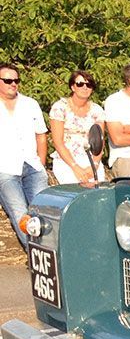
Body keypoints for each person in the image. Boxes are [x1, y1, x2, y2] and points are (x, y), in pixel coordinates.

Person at [0, 63, 49, 250]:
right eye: (8, 80)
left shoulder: (30, 104)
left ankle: (49, 253)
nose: (13, 84)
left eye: (16, 80)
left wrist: (41, 163)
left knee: (44, 213)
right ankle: (35, 254)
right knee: (20, 214)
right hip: (5, 168)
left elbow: (41, 135)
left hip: (33, 165)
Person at [50, 70, 106, 186]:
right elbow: (58, 142)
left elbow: (100, 142)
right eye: (80, 84)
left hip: (91, 160)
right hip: (67, 160)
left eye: (89, 85)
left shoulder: (97, 110)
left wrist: (94, 165)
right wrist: (75, 167)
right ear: (73, 87)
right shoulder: (60, 107)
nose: (85, 87)